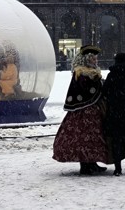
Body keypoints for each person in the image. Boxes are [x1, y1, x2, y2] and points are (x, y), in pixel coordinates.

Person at [52, 45, 110, 175]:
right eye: (92, 59)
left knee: (93, 138)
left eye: (95, 58)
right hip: (83, 112)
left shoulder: (93, 73)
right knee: (83, 138)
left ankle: (92, 162)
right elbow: (86, 90)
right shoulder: (81, 73)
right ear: (85, 60)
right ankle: (85, 165)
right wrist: (99, 85)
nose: (95, 61)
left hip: (93, 111)